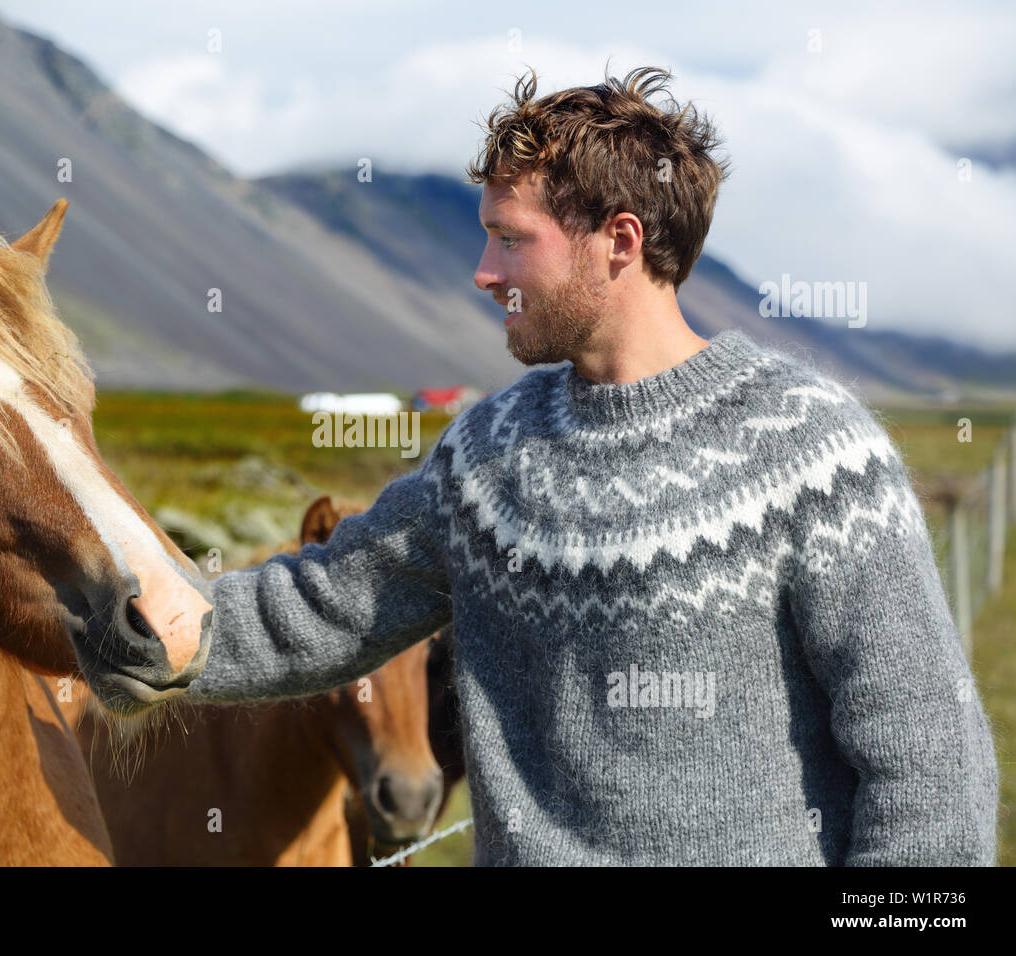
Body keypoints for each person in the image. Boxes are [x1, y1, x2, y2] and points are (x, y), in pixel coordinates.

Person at [184, 65, 999, 865]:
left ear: (620, 241)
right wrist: (112, 618)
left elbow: (928, 762)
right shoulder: (483, 457)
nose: (484, 272)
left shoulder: (815, 451)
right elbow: (320, 605)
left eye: (511, 241)